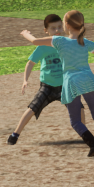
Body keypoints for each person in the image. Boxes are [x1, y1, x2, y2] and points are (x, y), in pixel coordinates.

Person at [17, 10, 94, 157]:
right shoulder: (86, 42)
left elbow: (35, 41)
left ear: (67, 25)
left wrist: (25, 33)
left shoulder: (59, 41)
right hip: (88, 80)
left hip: (71, 83)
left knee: (76, 121)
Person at [9, 14, 67, 145]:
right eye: (53, 28)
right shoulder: (42, 47)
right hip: (48, 86)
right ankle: (15, 134)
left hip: (64, 86)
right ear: (46, 31)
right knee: (32, 107)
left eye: (59, 27)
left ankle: (86, 135)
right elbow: (30, 63)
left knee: (78, 107)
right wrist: (25, 80)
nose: (57, 31)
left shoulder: (65, 44)